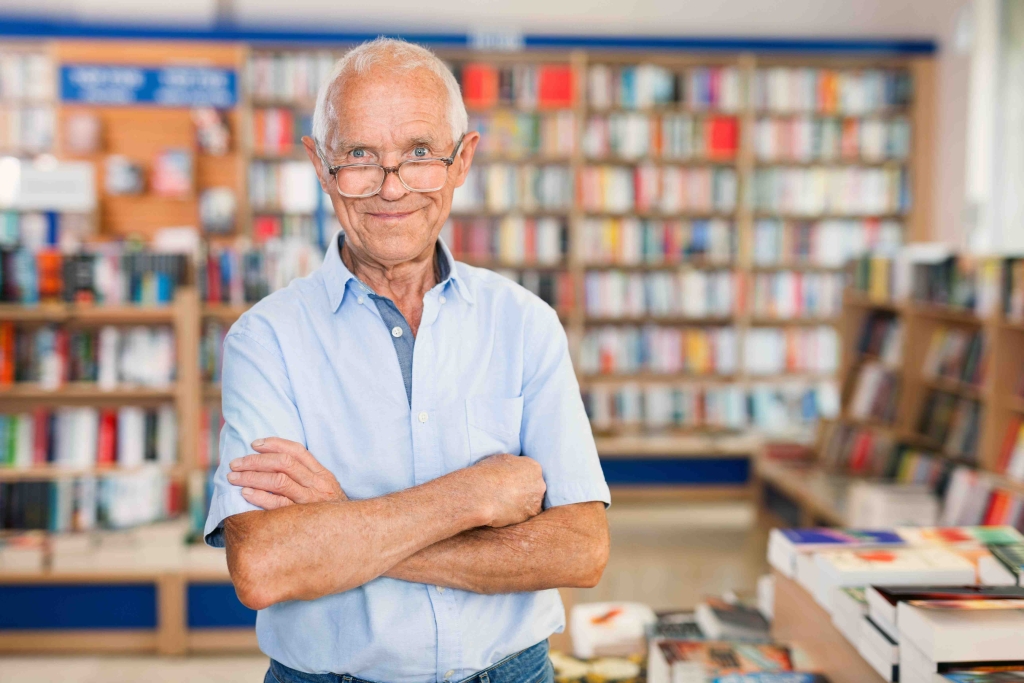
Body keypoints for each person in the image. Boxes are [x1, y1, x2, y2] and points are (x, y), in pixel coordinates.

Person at [204, 37, 611, 683]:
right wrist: (472, 494)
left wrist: (343, 523)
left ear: (462, 160)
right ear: (319, 162)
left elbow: (580, 550)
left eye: (420, 153)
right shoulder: (265, 339)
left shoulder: (525, 323)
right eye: (360, 156)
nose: (391, 188)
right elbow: (265, 567)